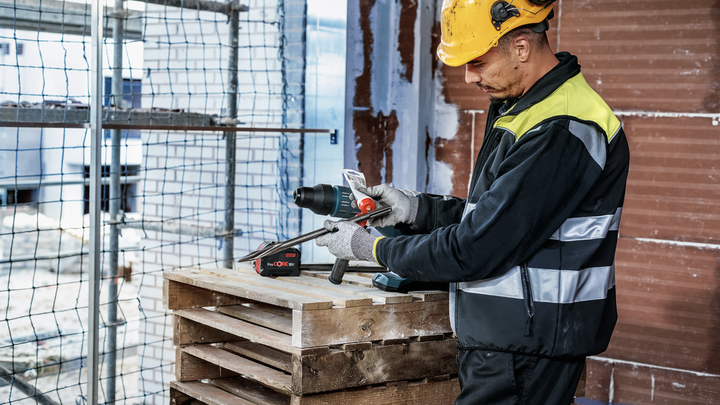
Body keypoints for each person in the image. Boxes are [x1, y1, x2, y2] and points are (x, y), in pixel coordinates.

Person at [316, 0, 630, 403]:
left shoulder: (560, 128)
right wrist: (415, 209)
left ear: (520, 47)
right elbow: (493, 215)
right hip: (513, 336)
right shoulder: (523, 108)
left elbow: (479, 246)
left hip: (526, 345)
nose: (468, 77)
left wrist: (370, 248)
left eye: (477, 62)